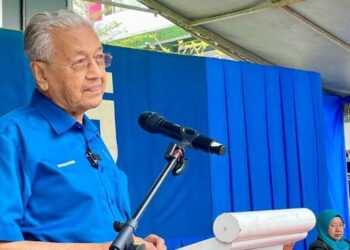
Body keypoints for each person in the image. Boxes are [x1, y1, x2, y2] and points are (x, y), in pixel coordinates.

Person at [0, 9, 166, 250]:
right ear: (41, 73)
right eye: (80, 62)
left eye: (99, 59)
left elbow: (94, 230)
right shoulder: (11, 138)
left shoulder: (90, 135)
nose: (97, 74)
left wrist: (135, 243)